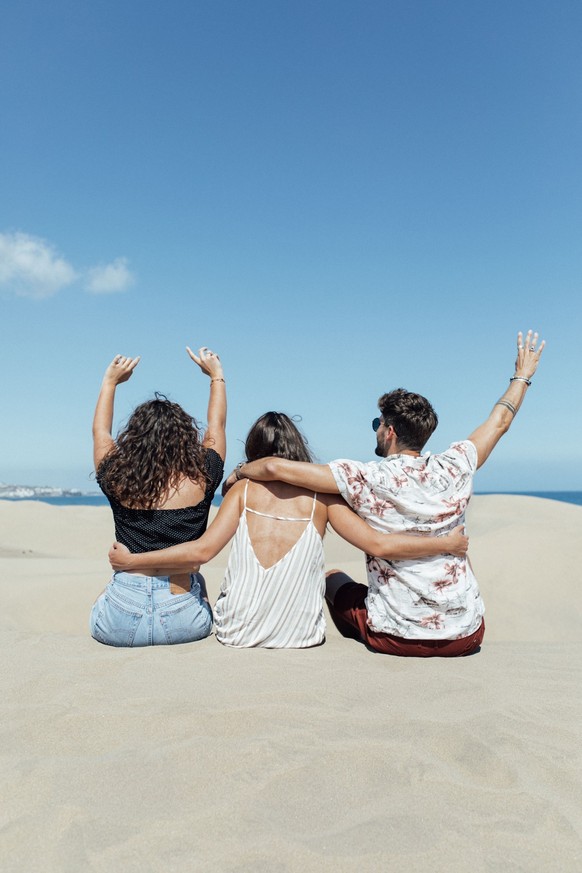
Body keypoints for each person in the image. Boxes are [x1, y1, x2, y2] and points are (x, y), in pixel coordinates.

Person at [217, 331, 545, 657]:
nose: (376, 428)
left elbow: (275, 469)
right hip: (467, 634)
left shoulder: (364, 477)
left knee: (333, 579)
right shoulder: (456, 465)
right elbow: (500, 421)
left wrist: (240, 472)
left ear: (389, 432)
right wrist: (523, 376)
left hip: (395, 636)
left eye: (377, 422)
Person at [108, 412, 469, 648]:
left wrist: (132, 561)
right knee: (333, 577)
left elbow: (202, 552)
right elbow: (378, 543)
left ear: (254, 452)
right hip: (302, 635)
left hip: (237, 633)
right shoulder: (323, 499)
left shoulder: (242, 492)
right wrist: (444, 543)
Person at [90, 346, 226, 647]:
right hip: (183, 619)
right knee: (199, 583)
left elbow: (100, 431)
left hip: (119, 619)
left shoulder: (117, 476)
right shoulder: (202, 476)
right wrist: (216, 377)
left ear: (134, 439)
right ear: (185, 438)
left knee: (104, 596)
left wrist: (109, 382)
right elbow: (217, 427)